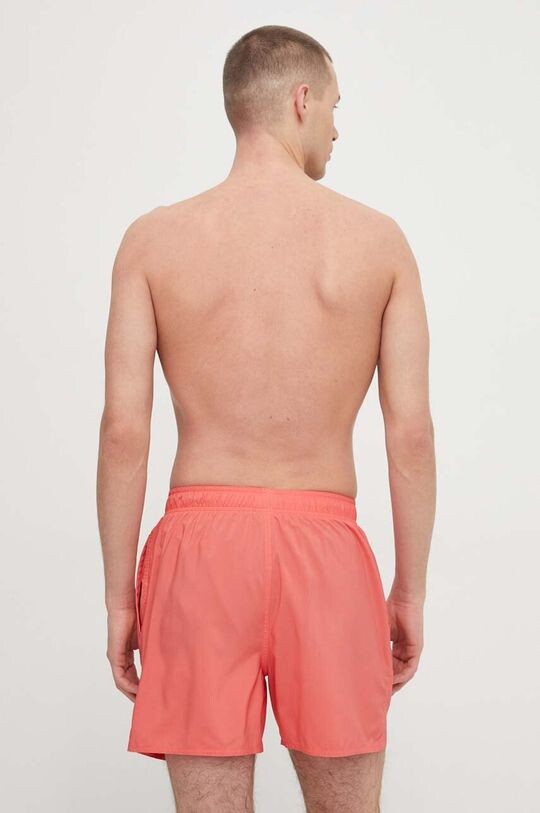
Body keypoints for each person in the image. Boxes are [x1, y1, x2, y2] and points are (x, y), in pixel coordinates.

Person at [97, 23, 436, 813]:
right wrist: (409, 591)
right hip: (326, 550)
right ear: (301, 100)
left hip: (199, 553)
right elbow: (411, 434)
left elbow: (123, 431)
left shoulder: (153, 241)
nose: (337, 130)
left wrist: (120, 599)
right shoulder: (378, 243)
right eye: (336, 108)